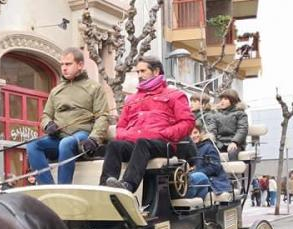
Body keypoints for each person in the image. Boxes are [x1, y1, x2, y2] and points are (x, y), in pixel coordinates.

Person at [100, 56, 195, 193]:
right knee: (114, 145)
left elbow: (188, 122)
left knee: (143, 143)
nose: (139, 75)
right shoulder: (132, 99)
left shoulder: (175, 95)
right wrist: (126, 135)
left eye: (143, 71)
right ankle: (105, 186)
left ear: (156, 71)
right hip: (136, 142)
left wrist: (165, 134)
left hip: (162, 144)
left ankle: (127, 185)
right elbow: (121, 126)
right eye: (138, 72)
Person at [28, 47, 110, 184]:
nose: (64, 68)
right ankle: (49, 188)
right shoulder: (56, 91)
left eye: (68, 64)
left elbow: (102, 116)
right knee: (33, 146)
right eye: (62, 64)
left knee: (66, 143)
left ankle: (63, 187)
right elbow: (45, 115)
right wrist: (48, 125)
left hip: (81, 137)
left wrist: (94, 139)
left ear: (80, 65)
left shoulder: (94, 88)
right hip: (58, 138)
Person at [186, 123, 231, 199]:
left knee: (198, 178)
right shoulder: (188, 150)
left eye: (195, 132)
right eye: (190, 134)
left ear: (201, 133)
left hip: (212, 180)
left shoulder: (209, 147)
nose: (193, 136)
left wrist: (196, 172)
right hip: (195, 178)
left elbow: (215, 167)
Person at [207, 89, 249, 161]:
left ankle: (234, 172)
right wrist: (211, 138)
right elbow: (212, 129)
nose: (222, 101)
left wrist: (235, 142)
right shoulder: (215, 115)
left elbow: (242, 129)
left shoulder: (240, 114)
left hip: (235, 143)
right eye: (221, 99)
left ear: (233, 100)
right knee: (208, 151)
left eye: (226, 99)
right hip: (219, 143)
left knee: (232, 152)